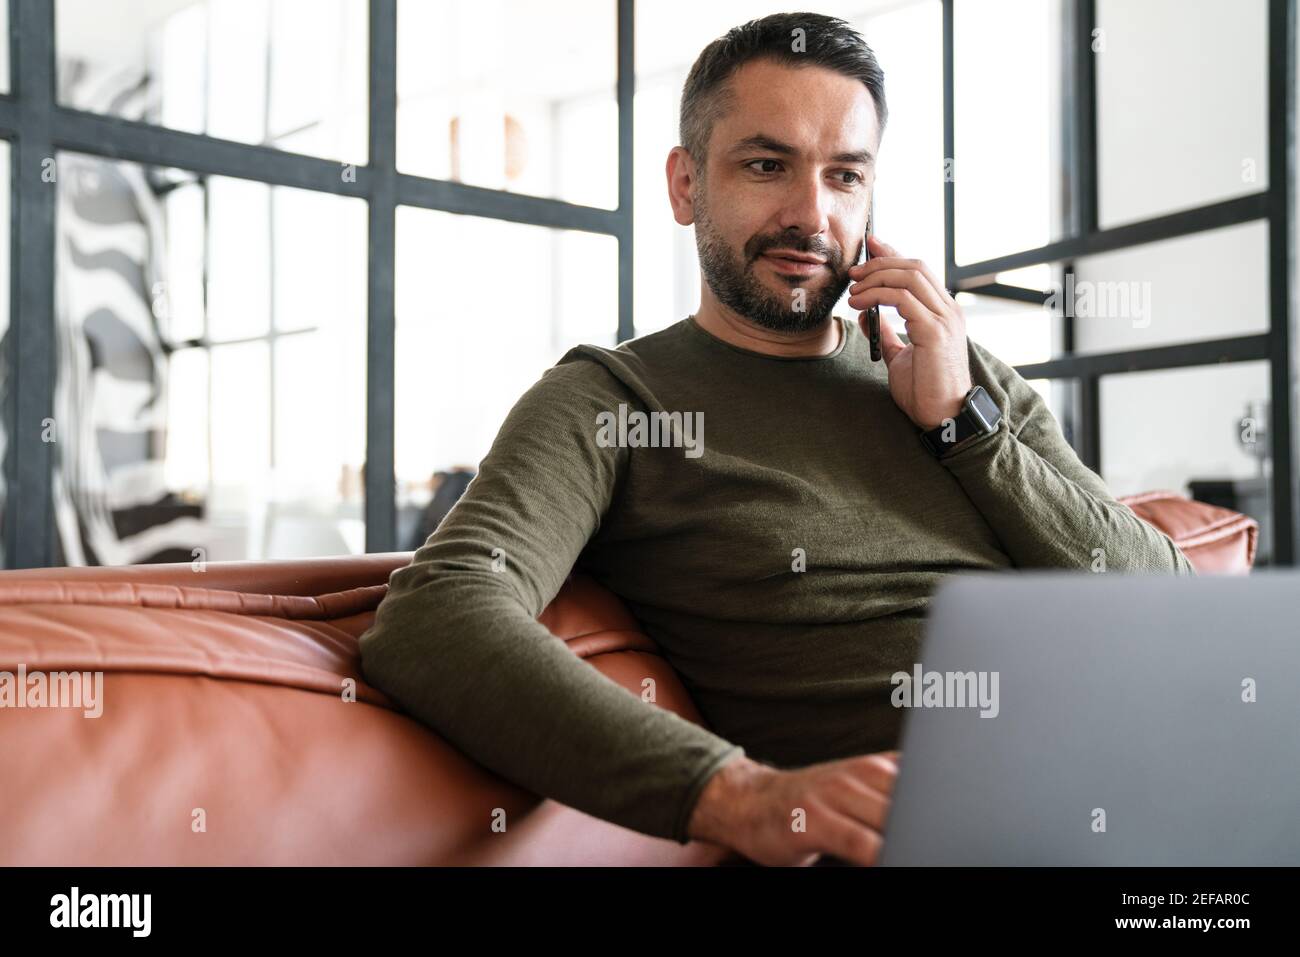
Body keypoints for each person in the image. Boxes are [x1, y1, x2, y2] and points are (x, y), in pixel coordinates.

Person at [359, 12, 1193, 868]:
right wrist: (739, 794)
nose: (810, 214)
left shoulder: (959, 374)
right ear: (686, 186)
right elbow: (440, 611)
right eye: (767, 165)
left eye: (844, 176)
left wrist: (963, 427)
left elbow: (1171, 608)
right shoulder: (611, 399)